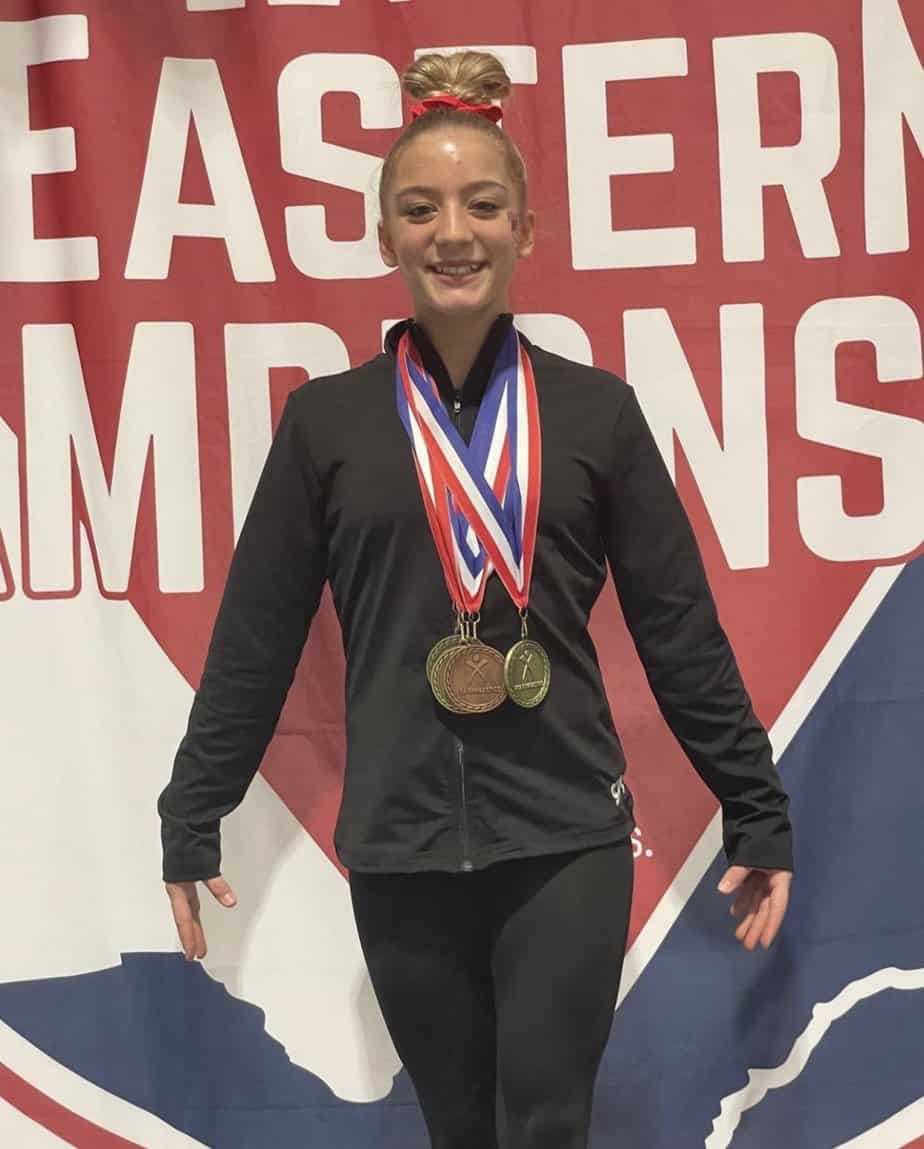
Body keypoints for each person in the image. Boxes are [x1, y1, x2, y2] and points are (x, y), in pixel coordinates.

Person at [158, 50, 794, 1149]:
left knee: (545, 1121)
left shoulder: (596, 415)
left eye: (483, 205)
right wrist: (192, 810)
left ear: (526, 229)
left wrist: (756, 802)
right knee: (457, 1125)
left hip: (565, 834)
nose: (453, 232)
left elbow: (680, 630)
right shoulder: (326, 425)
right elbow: (256, 641)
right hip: (399, 844)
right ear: (385, 236)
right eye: (421, 209)